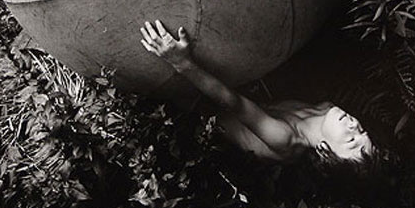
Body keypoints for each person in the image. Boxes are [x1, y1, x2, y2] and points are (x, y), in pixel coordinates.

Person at [140, 20, 376, 170]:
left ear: (325, 152)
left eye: (351, 141)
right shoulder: (326, 110)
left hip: (195, 112)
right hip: (235, 91)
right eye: (363, 132)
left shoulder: (285, 140)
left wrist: (181, 62)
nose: (354, 126)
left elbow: (233, 103)